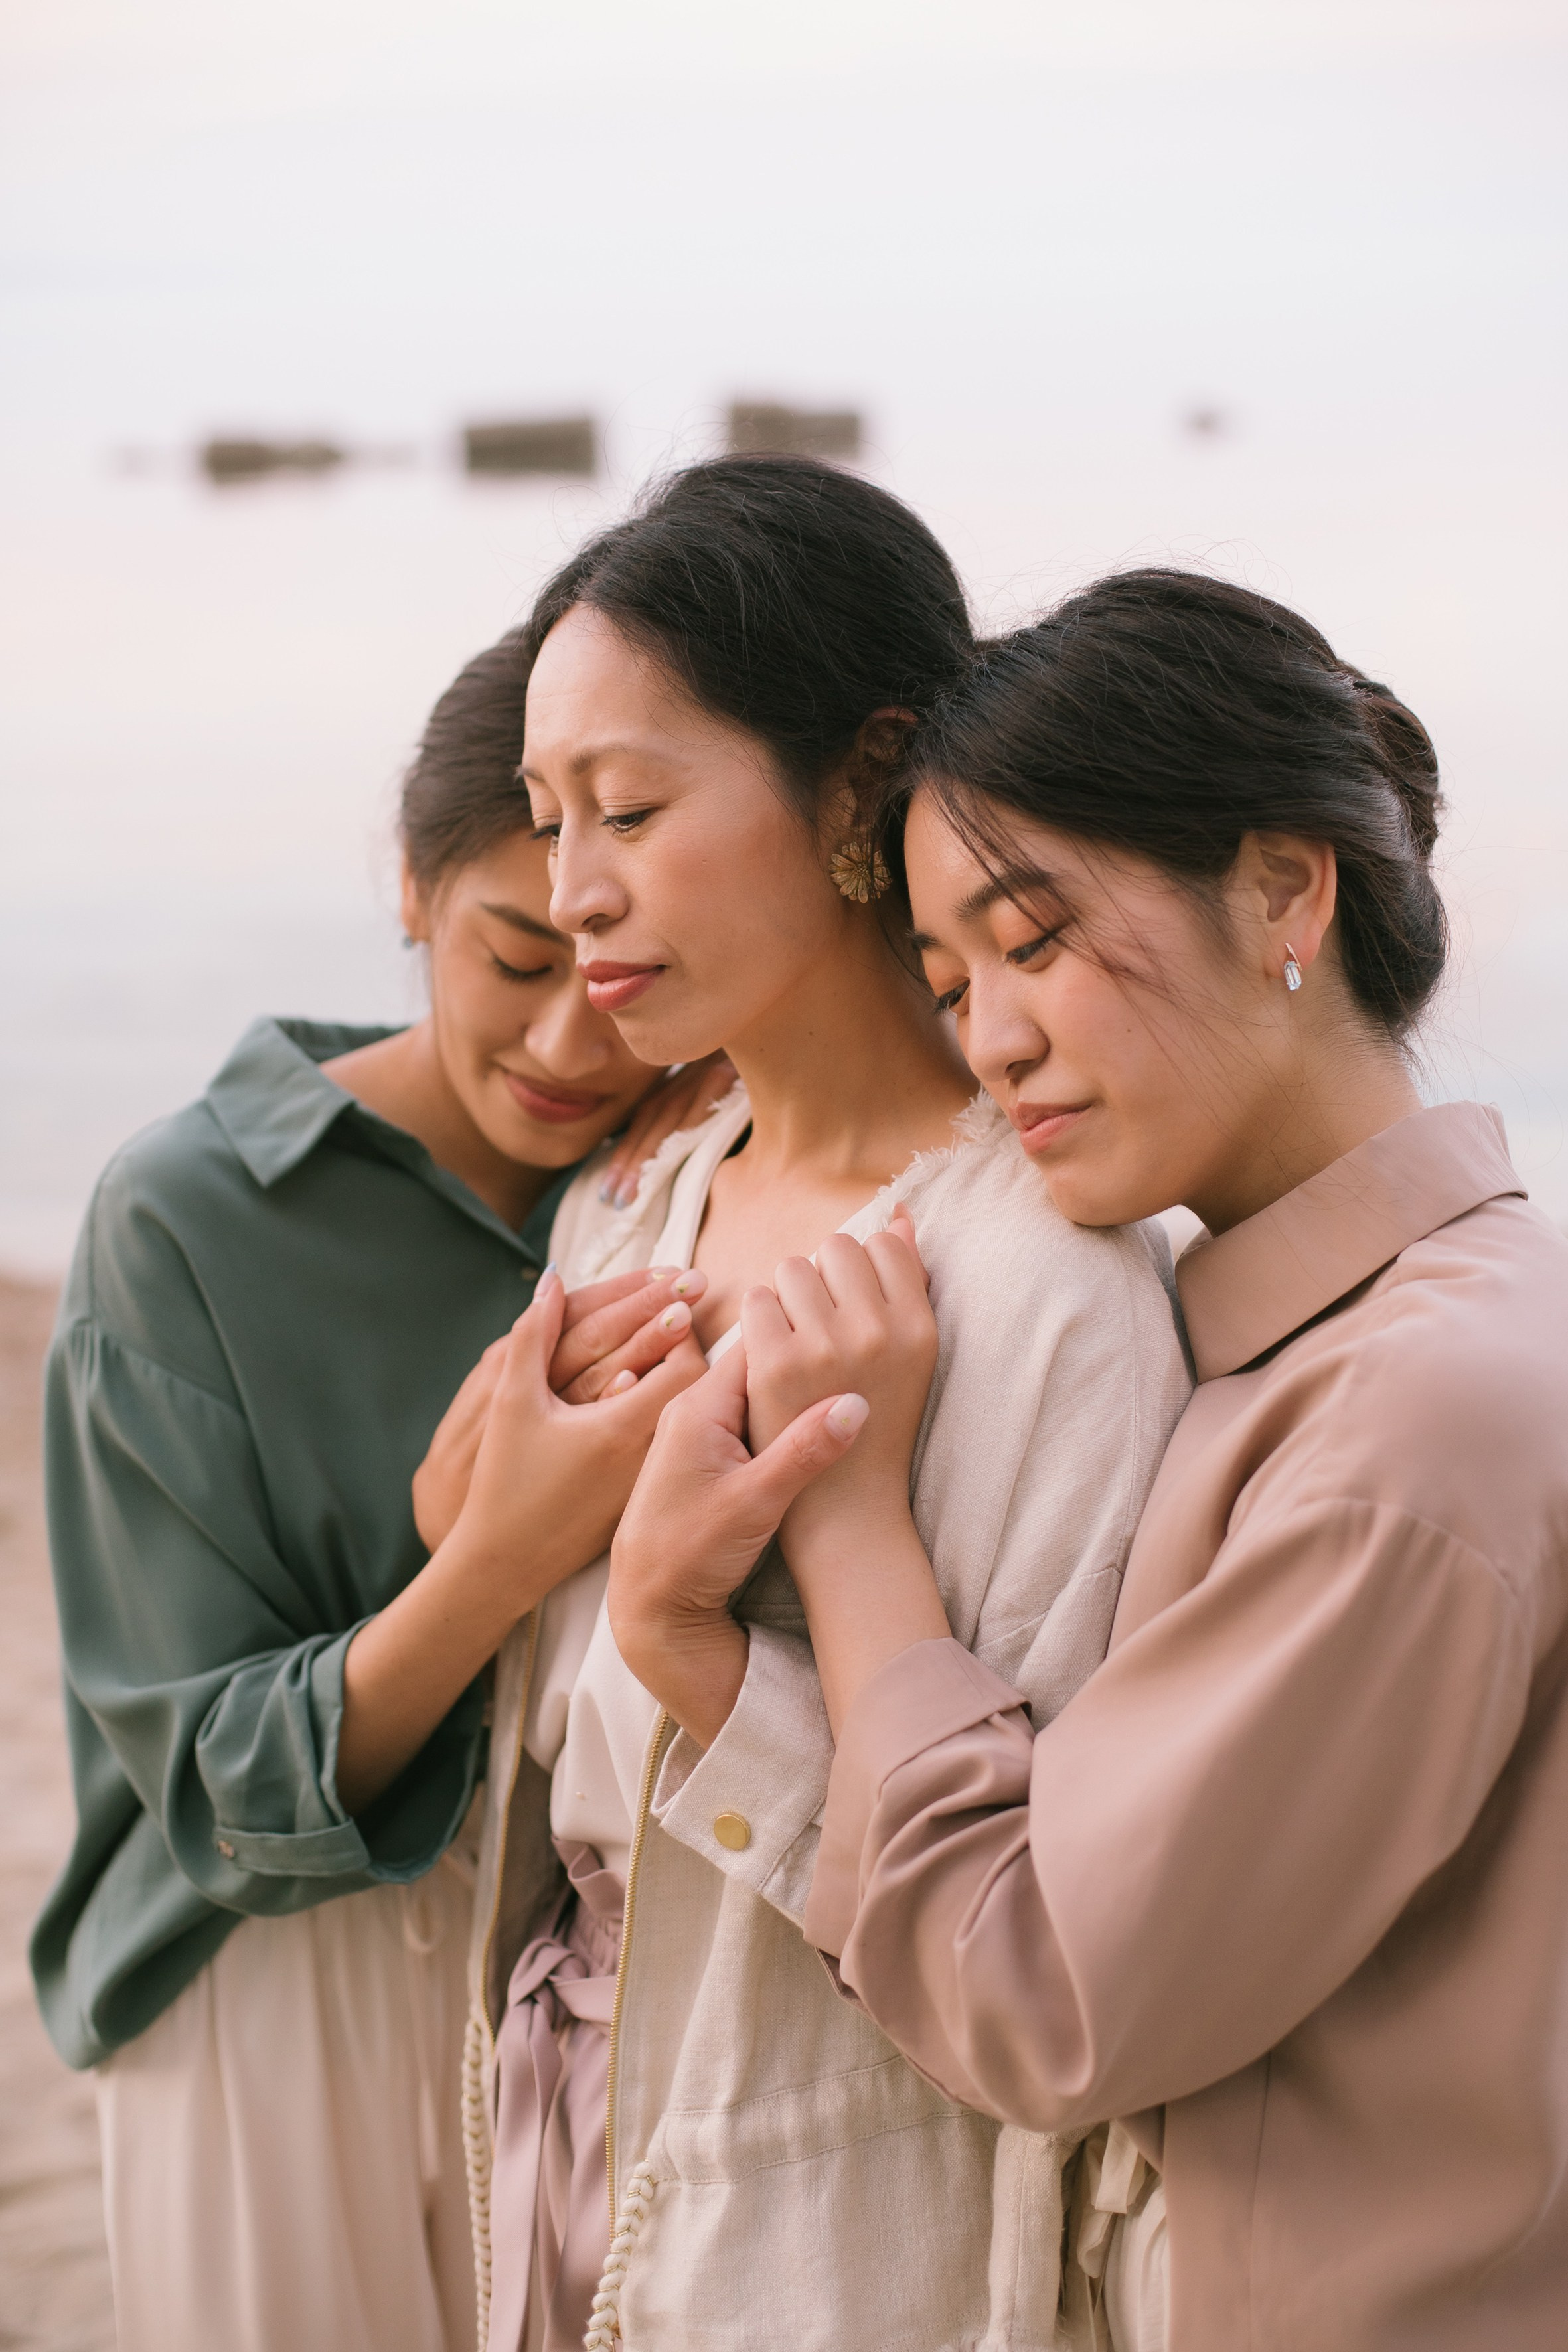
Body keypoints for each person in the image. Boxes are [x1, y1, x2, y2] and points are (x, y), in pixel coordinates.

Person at [615, 570, 1568, 2350]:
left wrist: (849, 1525)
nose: (992, 1038)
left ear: (1281, 889)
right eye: (948, 978)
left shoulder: (1407, 1423)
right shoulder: (1395, 1333)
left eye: (1035, 938)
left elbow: (1043, 1997)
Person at [448, 457, 1191, 2352]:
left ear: (860, 782)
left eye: (629, 809)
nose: (573, 890)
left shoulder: (1046, 1287)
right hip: (551, 2123)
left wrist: (699, 1647)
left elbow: (1039, 1925)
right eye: (546, 820)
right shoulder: (632, 1209)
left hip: (836, 2197)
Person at [32, 630, 732, 2352]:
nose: (571, 1039)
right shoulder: (187, 1217)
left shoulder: (683, 1176)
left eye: (613, 972)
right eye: (512, 957)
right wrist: (489, 1559)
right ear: (410, 891)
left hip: (582, 1962)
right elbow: (213, 1787)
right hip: (267, 1988)